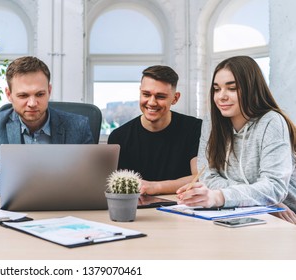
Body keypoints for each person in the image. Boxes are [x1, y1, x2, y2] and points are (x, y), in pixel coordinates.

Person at [177, 56, 296, 224]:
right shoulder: (211, 122)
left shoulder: (272, 122)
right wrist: (256, 199)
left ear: (251, 89)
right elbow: (207, 176)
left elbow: (274, 187)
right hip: (247, 211)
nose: (221, 97)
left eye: (232, 88)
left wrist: (219, 196)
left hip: (287, 217)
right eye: (216, 89)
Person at [0, 56, 94, 196]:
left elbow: (93, 176)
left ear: (49, 91)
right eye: (23, 96)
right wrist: (27, 188)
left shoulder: (78, 126)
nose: (32, 103)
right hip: (16, 206)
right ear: (9, 95)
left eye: (40, 94)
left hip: (64, 206)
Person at [108, 65, 202, 195]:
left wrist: (155, 187)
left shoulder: (195, 128)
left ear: (175, 98)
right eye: (146, 94)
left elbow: (200, 178)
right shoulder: (118, 137)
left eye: (160, 96)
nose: (151, 102)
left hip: (181, 207)